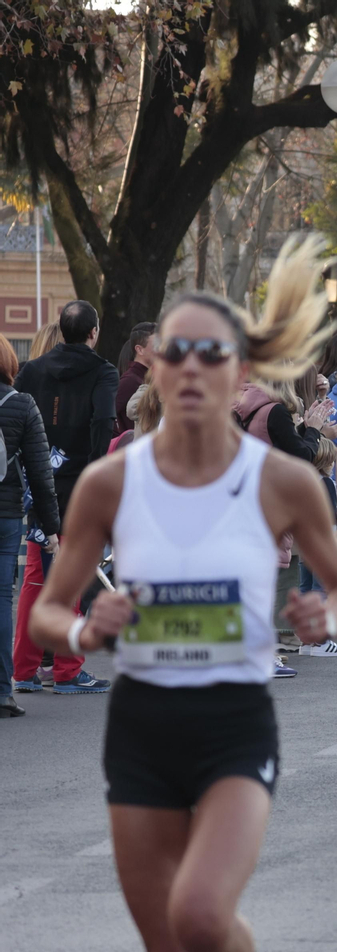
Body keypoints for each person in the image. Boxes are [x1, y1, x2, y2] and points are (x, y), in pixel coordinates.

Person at [28, 237, 337, 952]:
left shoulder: (280, 481)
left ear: (238, 370)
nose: (189, 368)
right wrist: (86, 632)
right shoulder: (113, 481)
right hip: (142, 730)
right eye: (173, 352)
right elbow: (46, 613)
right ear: (153, 367)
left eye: (209, 354)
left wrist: (327, 614)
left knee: (203, 919)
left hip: (232, 727)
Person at [13, 298, 118, 696]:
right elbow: (103, 421)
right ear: (93, 332)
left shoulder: (32, 369)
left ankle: (24, 670)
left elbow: (18, 415)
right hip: (78, 484)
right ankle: (67, 669)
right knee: (73, 571)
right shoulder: (102, 371)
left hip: (37, 481)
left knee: (36, 576)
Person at [0, 337, 58, 717]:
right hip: (5, 514)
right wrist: (51, 527)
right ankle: (2, 692)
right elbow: (40, 472)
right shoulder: (21, 404)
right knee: (2, 598)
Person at [114, 321, 157, 433]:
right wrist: (122, 438)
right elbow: (106, 415)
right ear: (140, 349)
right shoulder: (130, 380)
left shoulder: (148, 378)